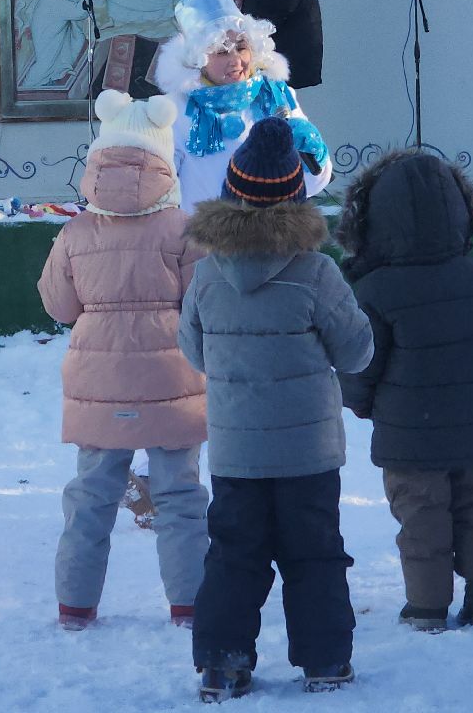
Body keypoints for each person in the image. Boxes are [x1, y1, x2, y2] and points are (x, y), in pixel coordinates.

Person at [179, 117, 374, 701]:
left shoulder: (207, 275)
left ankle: (221, 663)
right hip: (307, 454)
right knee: (314, 555)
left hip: (236, 451)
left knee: (234, 557)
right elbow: (358, 352)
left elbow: (194, 349)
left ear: (232, 192)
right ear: (296, 196)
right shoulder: (316, 272)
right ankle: (325, 662)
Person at [38, 91, 208, 631]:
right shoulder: (185, 230)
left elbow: (60, 307)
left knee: (90, 498)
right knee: (180, 497)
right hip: (173, 379)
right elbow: (201, 306)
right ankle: (188, 606)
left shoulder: (74, 233)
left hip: (98, 381)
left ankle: (74, 608)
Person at [334, 150, 473, 634]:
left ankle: (427, 607)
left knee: (422, 515)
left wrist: (365, 403)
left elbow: (361, 362)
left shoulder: (377, 290)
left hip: (409, 433)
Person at [153, 0, 330, 211]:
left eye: (241, 47)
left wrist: (314, 154)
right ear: (198, 60)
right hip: (206, 241)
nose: (235, 59)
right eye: (222, 51)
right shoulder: (174, 111)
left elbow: (311, 185)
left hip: (272, 238)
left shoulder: (276, 96)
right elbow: (161, 196)